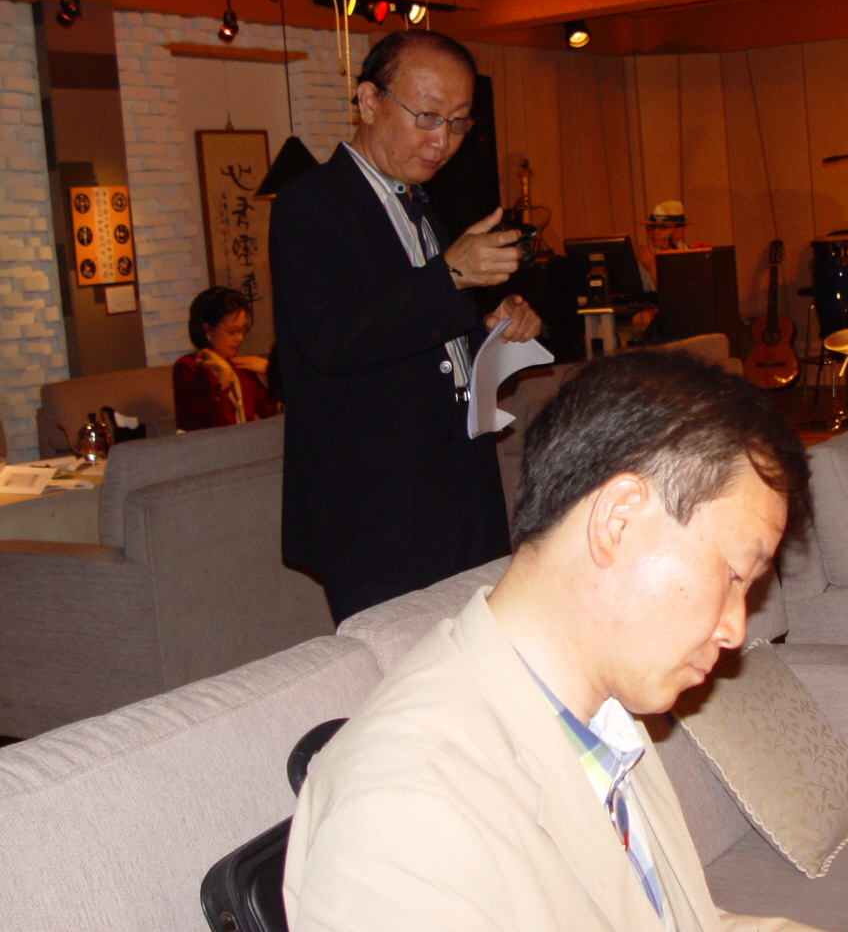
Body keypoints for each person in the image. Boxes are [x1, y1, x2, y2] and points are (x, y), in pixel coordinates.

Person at [282, 349, 816, 932]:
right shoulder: (406, 817)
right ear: (617, 520)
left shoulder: (605, 717)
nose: (735, 629)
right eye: (734, 574)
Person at [271, 30, 543, 624]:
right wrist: (451, 277)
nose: (442, 140)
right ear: (369, 101)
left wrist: (491, 329)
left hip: (459, 491)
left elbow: (417, 335)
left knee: (479, 661)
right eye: (427, 116)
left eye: (459, 122)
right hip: (377, 510)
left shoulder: (420, 206)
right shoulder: (311, 205)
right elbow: (331, 341)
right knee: (403, 673)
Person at [173, 286, 278, 431]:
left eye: (242, 330)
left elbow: (276, 413)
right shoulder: (189, 367)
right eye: (232, 331)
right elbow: (205, 428)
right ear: (207, 329)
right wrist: (222, 381)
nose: (239, 338)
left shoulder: (240, 368)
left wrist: (272, 370)